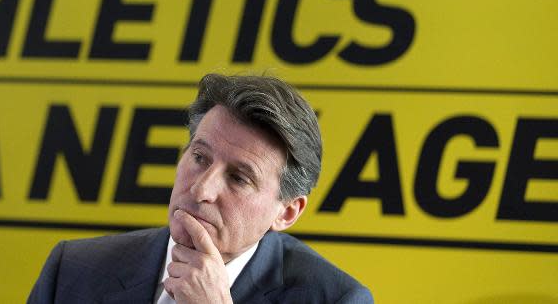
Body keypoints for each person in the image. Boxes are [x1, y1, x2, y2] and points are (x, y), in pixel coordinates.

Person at [28, 73, 373, 303]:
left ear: (286, 211)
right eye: (200, 157)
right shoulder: (73, 269)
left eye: (239, 178)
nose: (201, 189)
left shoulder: (335, 299)